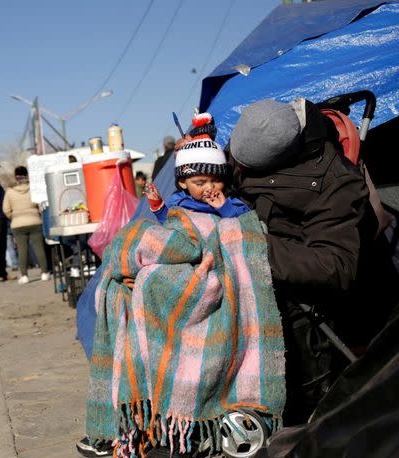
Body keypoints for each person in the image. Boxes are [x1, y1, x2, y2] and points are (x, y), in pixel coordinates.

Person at [227, 97, 378, 424]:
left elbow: (336, 264)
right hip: (240, 257)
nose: (238, 170)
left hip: (291, 285)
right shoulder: (252, 148)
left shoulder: (334, 181)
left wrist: (256, 250)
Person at [145, 113, 250, 224]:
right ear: (182, 182)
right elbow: (170, 228)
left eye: (217, 180)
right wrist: (159, 208)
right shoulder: (179, 203)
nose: (210, 187)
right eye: (200, 183)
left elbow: (248, 224)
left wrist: (224, 207)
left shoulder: (230, 203)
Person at [2, 166, 51, 284]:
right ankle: (44, 273)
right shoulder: (33, 189)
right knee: (39, 248)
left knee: (22, 250)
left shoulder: (9, 192)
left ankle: (24, 276)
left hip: (17, 225)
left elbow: (6, 209)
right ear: (27, 175)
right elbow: (40, 206)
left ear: (15, 177)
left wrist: (14, 217)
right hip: (35, 221)